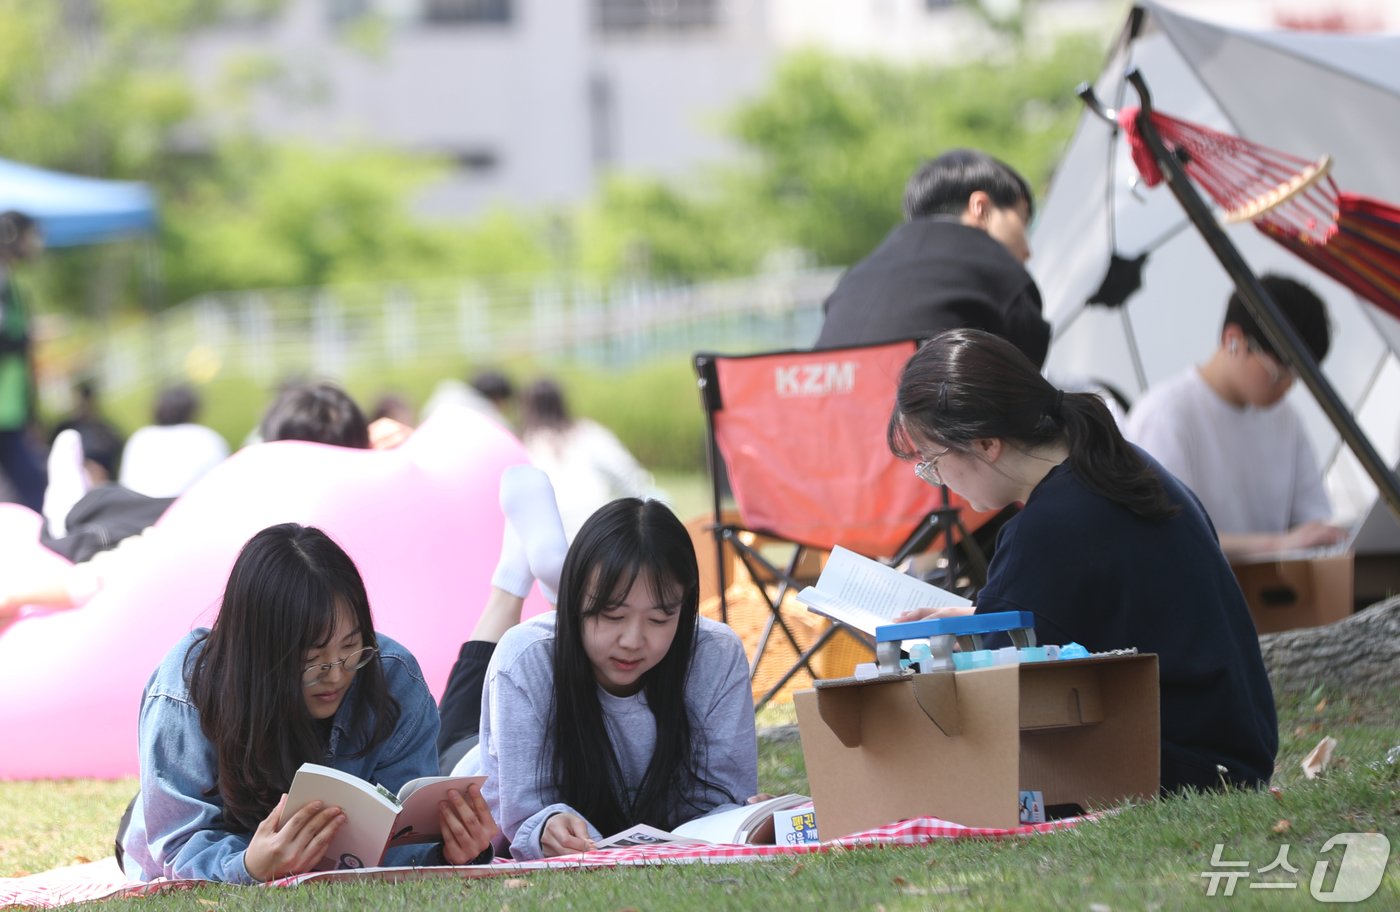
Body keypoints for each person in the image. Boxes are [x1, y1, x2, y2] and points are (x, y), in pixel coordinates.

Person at [888, 329, 1278, 794]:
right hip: (1226, 746)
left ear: (987, 443)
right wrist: (978, 618)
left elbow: (986, 700)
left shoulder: (1047, 529)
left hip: (1177, 763)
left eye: (932, 462)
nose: (938, 480)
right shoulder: (1119, 466)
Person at [117, 523, 497, 882]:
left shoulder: (394, 680)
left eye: (351, 647)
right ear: (258, 653)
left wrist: (453, 850)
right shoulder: (187, 689)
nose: (336, 675)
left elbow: (402, 842)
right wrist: (247, 866)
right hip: (193, 822)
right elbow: (177, 843)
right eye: (312, 660)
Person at [439, 466, 758, 860]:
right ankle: (513, 579)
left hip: (565, 647)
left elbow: (719, 801)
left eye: (660, 619)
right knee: (503, 652)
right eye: (612, 615)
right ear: (577, 604)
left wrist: (745, 818)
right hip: (475, 756)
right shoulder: (524, 658)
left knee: (558, 643)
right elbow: (523, 813)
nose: (633, 641)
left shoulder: (715, 654)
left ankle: (552, 571)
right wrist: (546, 826)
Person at [1, 381, 387, 628]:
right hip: (172, 518)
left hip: (164, 525)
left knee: (116, 510)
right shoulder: (352, 498)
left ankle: (71, 506)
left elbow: (107, 577)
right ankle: (73, 504)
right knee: (123, 509)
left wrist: (18, 597)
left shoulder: (253, 508)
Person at [1125, 275, 1345, 559]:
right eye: (1278, 373)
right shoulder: (1165, 415)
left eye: (1297, 377)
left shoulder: (1286, 418)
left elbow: (1313, 521)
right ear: (1233, 341)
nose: (1287, 387)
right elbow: (1169, 535)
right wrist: (1277, 545)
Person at [814, 149, 1051, 369]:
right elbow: (1029, 381)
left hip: (828, 396)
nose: (1027, 250)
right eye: (1022, 221)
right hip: (927, 399)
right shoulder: (998, 270)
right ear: (981, 208)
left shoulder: (854, 277)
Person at [519, 377, 655, 538]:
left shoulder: (522, 443)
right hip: (597, 530)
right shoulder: (589, 433)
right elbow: (630, 475)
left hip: (546, 535)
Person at [0, 211, 46, 511]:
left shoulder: (10, 283)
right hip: (5, 407)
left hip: (11, 405)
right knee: (30, 490)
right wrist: (27, 339)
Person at [119, 384, 230, 499]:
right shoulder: (206, 437)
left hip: (136, 506)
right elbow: (222, 482)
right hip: (185, 505)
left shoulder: (140, 437)